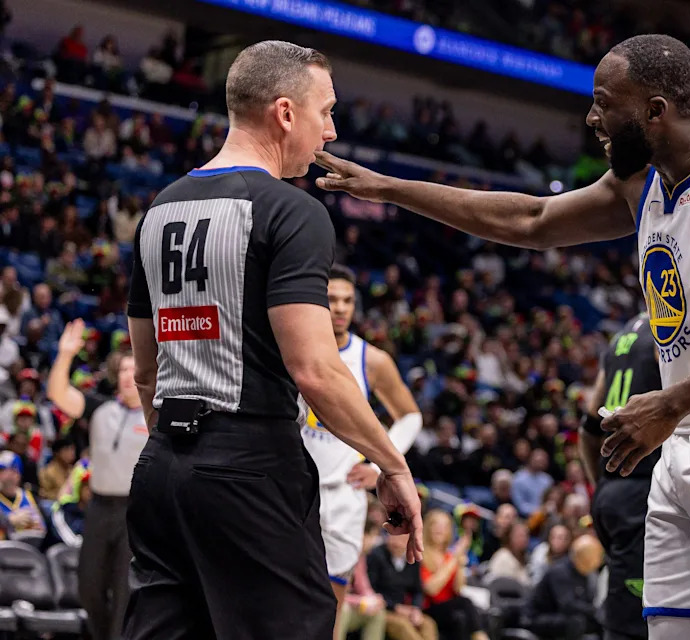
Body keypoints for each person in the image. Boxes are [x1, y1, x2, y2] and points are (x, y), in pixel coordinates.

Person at [317, 33, 690, 639]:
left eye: (603, 102)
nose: (592, 117)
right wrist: (387, 187)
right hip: (684, 438)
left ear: (654, 110)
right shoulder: (640, 183)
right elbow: (530, 219)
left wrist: (671, 402)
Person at [123, 40, 422, 640]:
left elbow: (146, 372)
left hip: (160, 470)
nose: (331, 132)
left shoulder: (160, 207)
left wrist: (186, 459)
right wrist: (393, 463)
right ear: (285, 113)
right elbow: (314, 369)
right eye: (326, 111)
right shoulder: (292, 210)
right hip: (251, 464)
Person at [300, 264, 424, 621]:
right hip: (292, 487)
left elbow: (411, 416)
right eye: (331, 300)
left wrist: (378, 465)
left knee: (330, 605)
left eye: (347, 301)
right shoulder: (293, 345)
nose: (340, 308)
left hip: (343, 493)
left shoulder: (371, 359)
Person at [47, 319, 149, 640]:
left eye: (134, 370)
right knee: (88, 586)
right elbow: (58, 394)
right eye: (122, 371)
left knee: (123, 594)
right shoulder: (100, 409)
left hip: (134, 512)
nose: (127, 377)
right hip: (99, 508)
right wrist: (65, 355)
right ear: (116, 377)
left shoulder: (155, 415)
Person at [579, 313, 662, 640]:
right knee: (634, 624)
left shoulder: (621, 337)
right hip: (643, 489)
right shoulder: (669, 327)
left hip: (612, 490)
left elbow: (587, 427)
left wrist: (598, 486)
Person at [420, 510, 490, 640]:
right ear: (428, 527)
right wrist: (454, 558)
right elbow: (431, 589)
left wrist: (460, 564)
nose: (440, 529)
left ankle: (481, 636)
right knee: (464, 604)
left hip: (451, 609)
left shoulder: (449, 555)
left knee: (462, 617)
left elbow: (458, 589)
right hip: (429, 608)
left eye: (445, 526)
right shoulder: (421, 554)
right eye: (436, 524)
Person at [522, 534, 605, 640]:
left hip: (559, 615)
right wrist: (595, 611)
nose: (597, 562)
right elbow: (567, 605)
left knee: (601, 622)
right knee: (575, 622)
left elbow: (585, 602)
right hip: (537, 617)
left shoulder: (583, 573)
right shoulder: (560, 572)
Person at [367, 531, 439, 640]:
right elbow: (371, 589)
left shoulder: (413, 559)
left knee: (428, 624)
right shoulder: (376, 555)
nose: (396, 543)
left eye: (402, 540)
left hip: (405, 609)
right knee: (403, 626)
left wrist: (415, 609)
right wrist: (395, 608)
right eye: (394, 538)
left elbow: (418, 590)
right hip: (382, 609)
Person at [337, 521, 388, 640]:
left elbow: (363, 587)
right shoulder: (340, 554)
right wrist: (359, 601)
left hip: (350, 605)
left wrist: (374, 600)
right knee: (343, 609)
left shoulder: (361, 557)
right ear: (362, 535)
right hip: (333, 606)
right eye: (372, 536)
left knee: (378, 613)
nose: (374, 541)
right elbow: (335, 594)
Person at [484, 521, 531, 585]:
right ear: (510, 537)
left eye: (526, 535)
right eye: (520, 535)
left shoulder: (525, 558)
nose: (524, 539)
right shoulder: (502, 556)